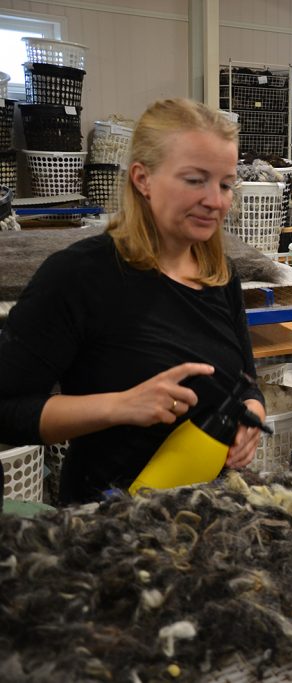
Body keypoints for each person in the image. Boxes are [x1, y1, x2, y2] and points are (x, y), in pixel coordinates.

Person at [0, 98, 265, 504]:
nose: (216, 200)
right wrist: (120, 405)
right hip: (112, 527)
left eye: (225, 184)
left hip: (208, 515)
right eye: (195, 180)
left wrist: (252, 414)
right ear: (143, 179)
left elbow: (246, 381)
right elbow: (7, 409)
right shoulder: (79, 276)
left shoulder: (219, 273)